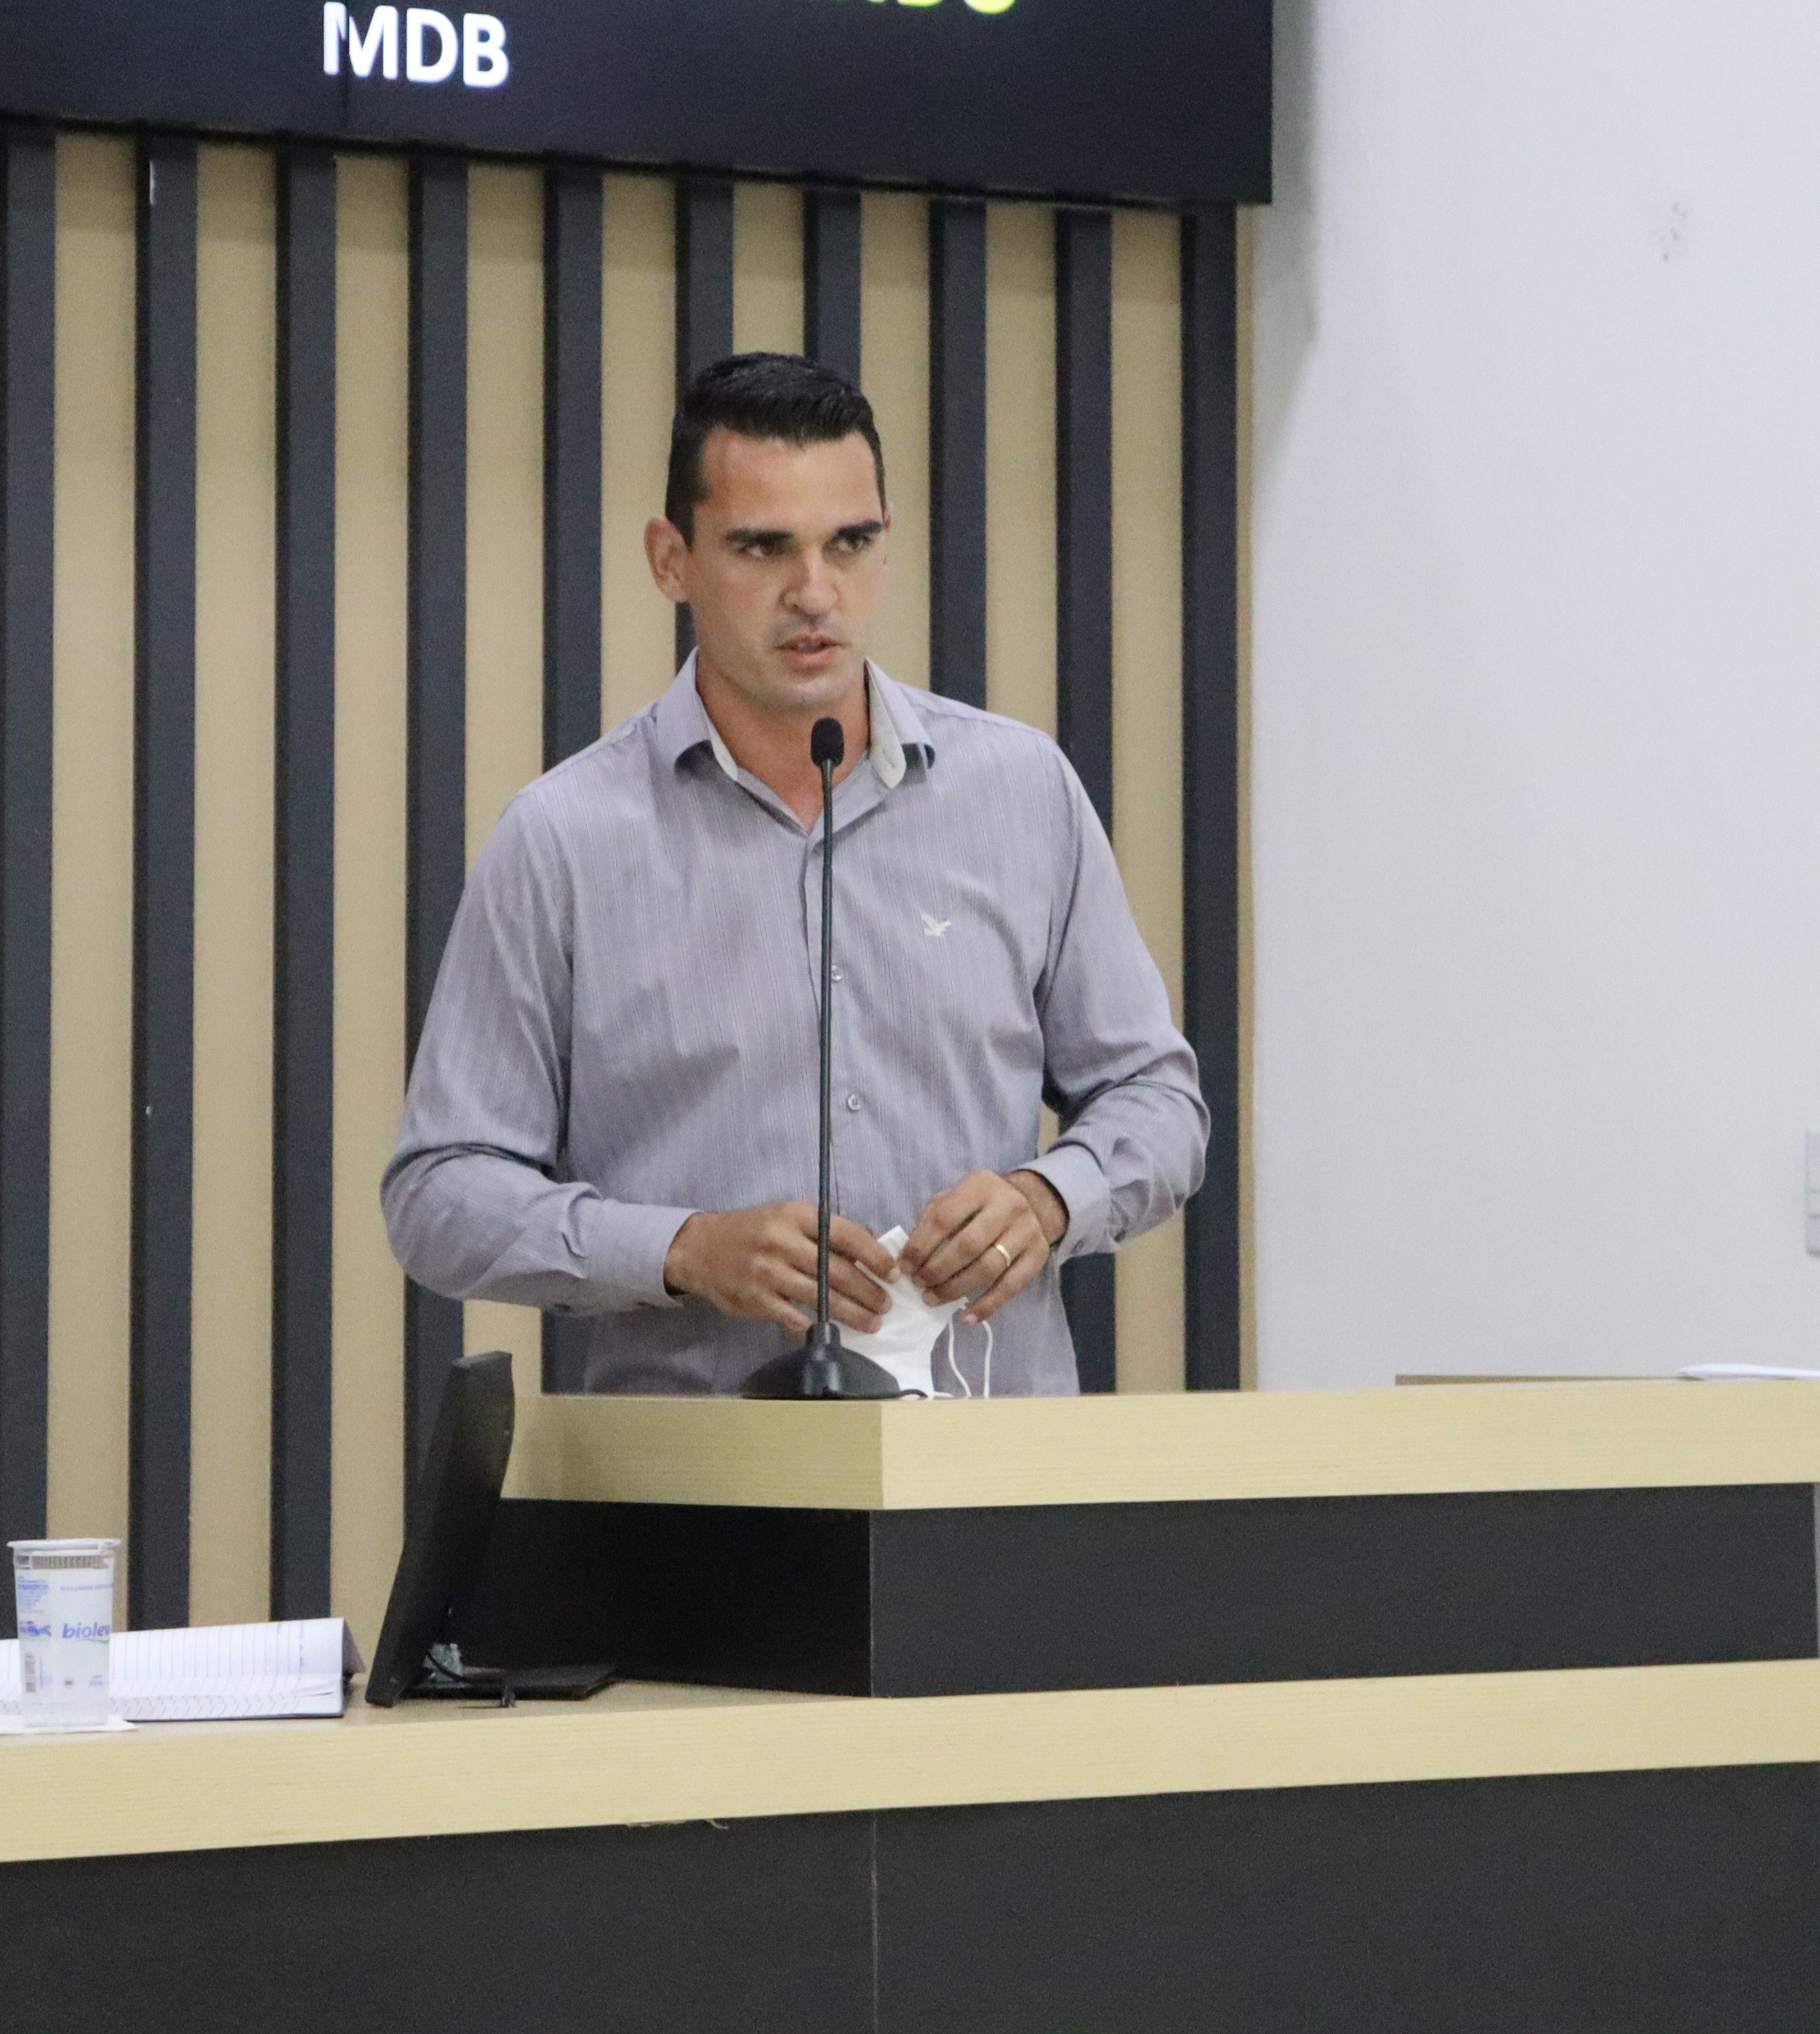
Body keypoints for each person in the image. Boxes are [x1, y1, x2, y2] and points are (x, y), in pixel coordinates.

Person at [384, 352, 1207, 1394]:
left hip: (982, 1462)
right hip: (702, 1479)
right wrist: (680, 1250)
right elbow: (440, 1195)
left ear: (887, 544)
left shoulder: (1022, 792)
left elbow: (1157, 1103)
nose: (814, 593)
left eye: (849, 543)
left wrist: (1050, 1201)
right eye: (762, 547)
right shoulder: (564, 840)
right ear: (671, 560)